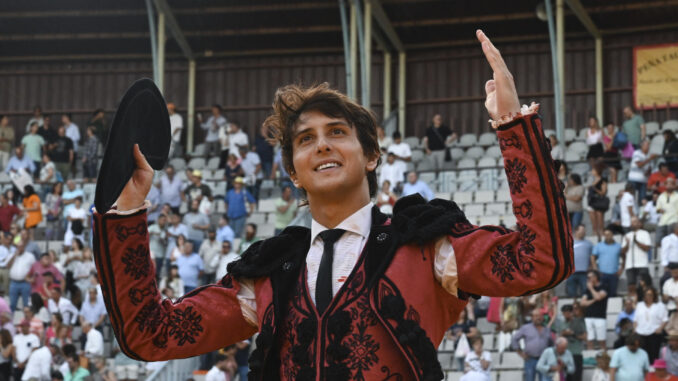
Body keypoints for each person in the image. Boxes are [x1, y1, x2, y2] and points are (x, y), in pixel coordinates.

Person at [91, 32, 573, 380]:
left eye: (336, 133)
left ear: (371, 156)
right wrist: (128, 213)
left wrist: (512, 126)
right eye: (305, 140)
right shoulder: (269, 273)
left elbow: (541, 262)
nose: (321, 145)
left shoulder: (426, 245)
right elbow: (150, 334)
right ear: (293, 173)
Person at [552, 304, 587, 381]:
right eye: (565, 313)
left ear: (572, 312)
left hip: (576, 353)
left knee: (576, 377)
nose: (566, 314)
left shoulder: (579, 322)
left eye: (568, 312)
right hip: (565, 354)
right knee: (566, 378)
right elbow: (559, 337)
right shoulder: (561, 324)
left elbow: (585, 337)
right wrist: (563, 334)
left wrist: (573, 334)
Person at [635, 287, 668, 363]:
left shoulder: (660, 305)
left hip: (654, 334)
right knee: (642, 356)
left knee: (653, 356)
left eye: (650, 295)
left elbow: (665, 319)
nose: (648, 296)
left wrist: (660, 329)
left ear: (654, 296)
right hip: (641, 334)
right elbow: (635, 320)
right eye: (646, 295)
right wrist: (635, 330)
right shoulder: (640, 305)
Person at [622, 216, 652, 296]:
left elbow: (647, 248)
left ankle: (644, 301)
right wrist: (627, 244)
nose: (633, 224)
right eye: (631, 222)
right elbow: (623, 251)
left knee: (644, 285)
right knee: (631, 286)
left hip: (642, 264)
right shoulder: (627, 235)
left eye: (635, 222)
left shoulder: (645, 234)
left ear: (639, 223)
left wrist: (637, 242)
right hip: (630, 265)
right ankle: (633, 303)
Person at [581, 270, 609, 350]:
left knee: (602, 341)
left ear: (595, 277)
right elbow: (582, 303)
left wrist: (591, 289)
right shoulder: (587, 290)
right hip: (588, 317)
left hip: (600, 317)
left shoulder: (604, 286)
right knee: (589, 340)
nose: (588, 279)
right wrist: (594, 300)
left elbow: (599, 297)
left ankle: (604, 359)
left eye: (589, 277)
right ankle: (590, 358)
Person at [591, 227, 623, 296]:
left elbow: (624, 257)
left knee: (612, 295)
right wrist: (595, 270)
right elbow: (593, 257)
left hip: (614, 275)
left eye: (609, 234)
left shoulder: (618, 246)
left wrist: (621, 269)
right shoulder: (599, 245)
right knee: (601, 295)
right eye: (605, 234)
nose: (607, 236)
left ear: (612, 235)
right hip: (602, 275)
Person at [7, 242, 35, 312]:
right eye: (18, 247)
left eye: (21, 247)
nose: (19, 248)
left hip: (25, 283)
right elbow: (8, 266)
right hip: (14, 283)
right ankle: (10, 322)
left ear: (24, 247)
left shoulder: (30, 256)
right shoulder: (11, 255)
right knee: (12, 304)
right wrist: (14, 256)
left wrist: (31, 279)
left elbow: (34, 268)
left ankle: (27, 321)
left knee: (26, 304)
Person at [567, 225, 592, 297]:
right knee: (571, 292)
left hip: (585, 272)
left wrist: (591, 267)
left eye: (584, 231)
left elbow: (592, 257)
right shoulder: (569, 243)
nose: (583, 232)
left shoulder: (589, 244)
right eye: (581, 231)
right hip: (571, 272)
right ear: (576, 231)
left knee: (585, 293)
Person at [588, 162, 609, 240]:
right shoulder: (592, 180)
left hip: (599, 202)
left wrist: (595, 189)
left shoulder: (603, 180)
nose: (592, 171)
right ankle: (595, 235)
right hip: (591, 202)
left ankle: (602, 235)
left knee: (600, 222)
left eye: (593, 170)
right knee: (594, 223)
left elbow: (603, 192)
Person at [657, 179, 678, 246]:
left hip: (674, 220)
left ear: (674, 186)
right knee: (658, 241)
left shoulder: (677, 196)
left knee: (672, 241)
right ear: (665, 185)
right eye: (667, 184)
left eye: (671, 184)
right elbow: (657, 209)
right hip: (663, 221)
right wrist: (660, 210)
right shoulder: (661, 196)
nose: (669, 185)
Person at [149, 214, 168, 280]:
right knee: (149, 272)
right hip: (151, 253)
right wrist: (153, 233)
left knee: (157, 273)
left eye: (165, 220)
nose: (164, 222)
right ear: (158, 220)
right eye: (162, 220)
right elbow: (145, 234)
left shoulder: (165, 231)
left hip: (160, 255)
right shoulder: (153, 227)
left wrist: (162, 239)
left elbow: (165, 243)